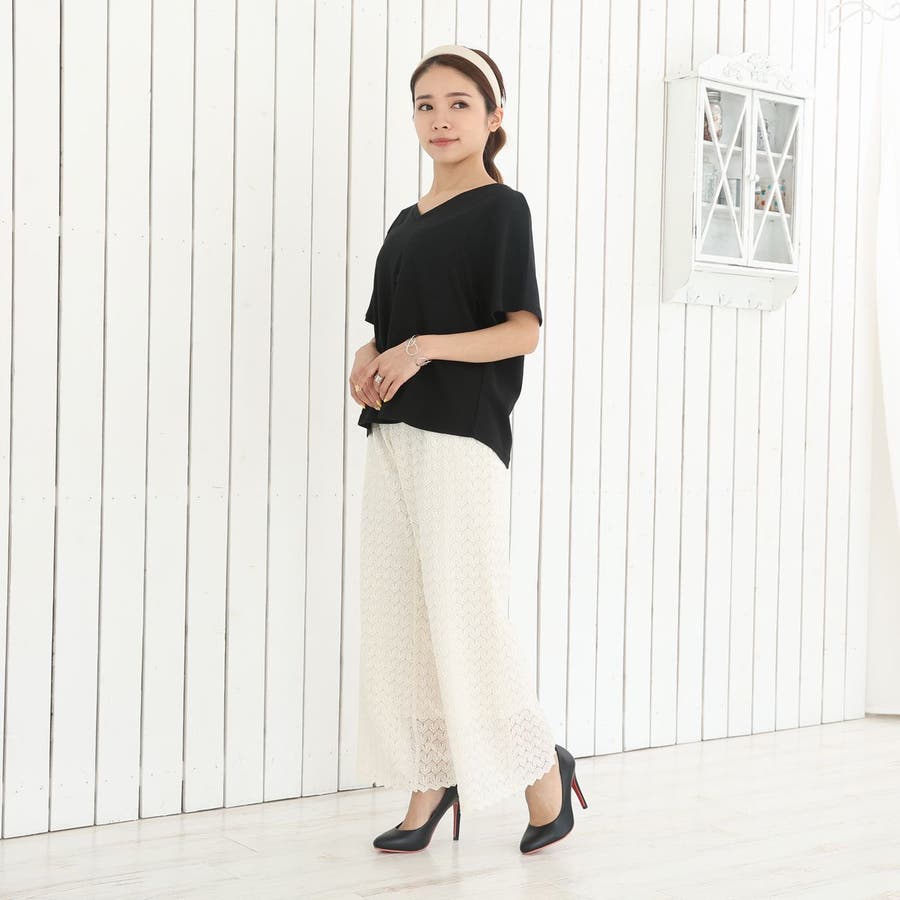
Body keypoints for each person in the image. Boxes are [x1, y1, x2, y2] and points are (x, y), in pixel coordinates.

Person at [350, 43, 587, 855]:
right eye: (426, 105)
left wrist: (421, 350)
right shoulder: (405, 223)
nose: (440, 119)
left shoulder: (501, 210)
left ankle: (542, 773)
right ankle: (429, 783)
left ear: (493, 118)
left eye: (459, 103)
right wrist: (366, 358)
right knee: (406, 620)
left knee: (468, 616)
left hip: (461, 437)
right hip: (394, 435)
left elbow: (521, 330)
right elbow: (381, 328)